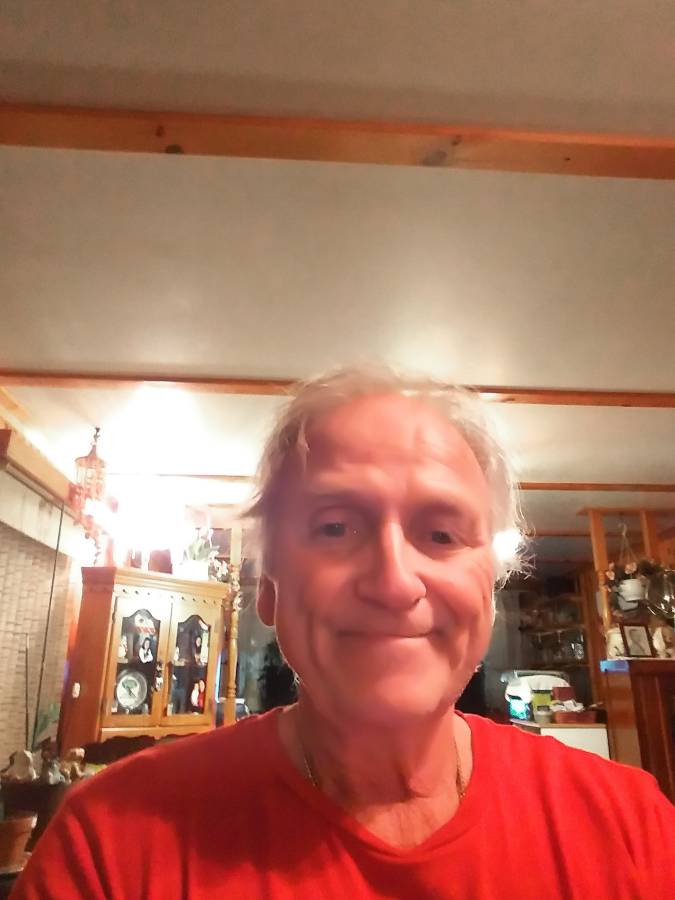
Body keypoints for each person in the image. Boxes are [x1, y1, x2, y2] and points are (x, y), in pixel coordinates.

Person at [13, 366, 674, 899]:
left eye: (441, 533)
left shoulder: (630, 829)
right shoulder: (111, 845)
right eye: (335, 527)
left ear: (488, 592)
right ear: (268, 588)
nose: (394, 582)